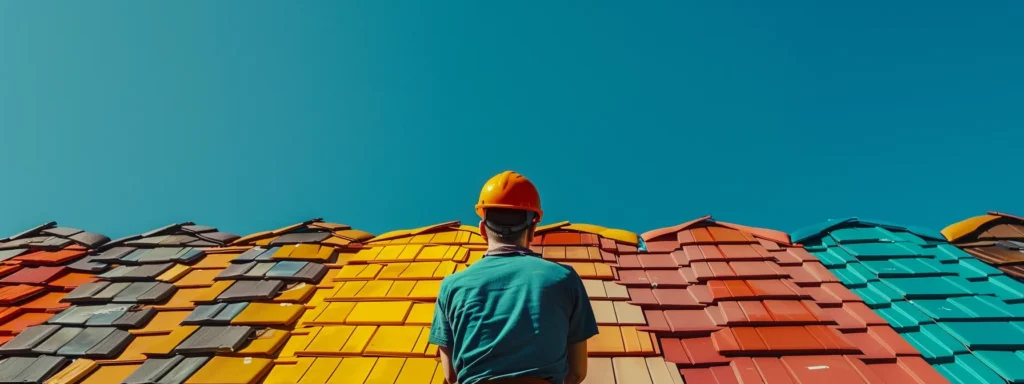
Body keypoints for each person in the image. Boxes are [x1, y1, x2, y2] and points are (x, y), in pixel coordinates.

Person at [428, 171, 600, 384]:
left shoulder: (451, 286)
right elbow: (576, 373)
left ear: (482, 229)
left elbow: (451, 376)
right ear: (533, 228)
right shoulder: (564, 278)